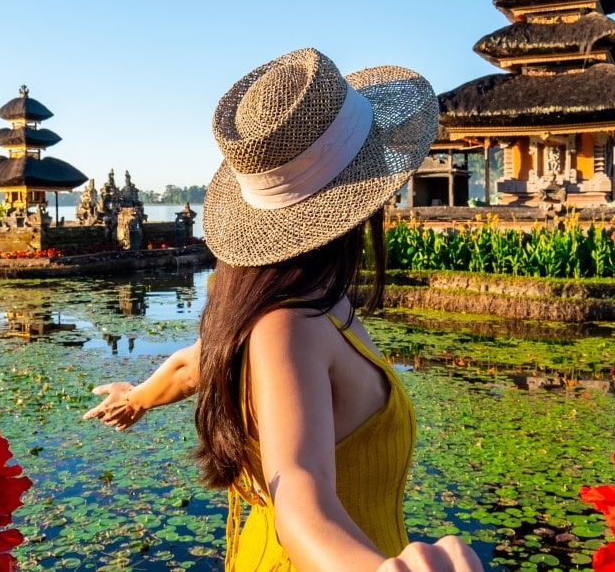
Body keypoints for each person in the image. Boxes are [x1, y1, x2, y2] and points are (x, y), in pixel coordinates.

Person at [85, 48, 484, 572]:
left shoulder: (298, 304)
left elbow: (193, 365)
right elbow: (299, 493)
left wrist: (134, 398)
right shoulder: (288, 325)